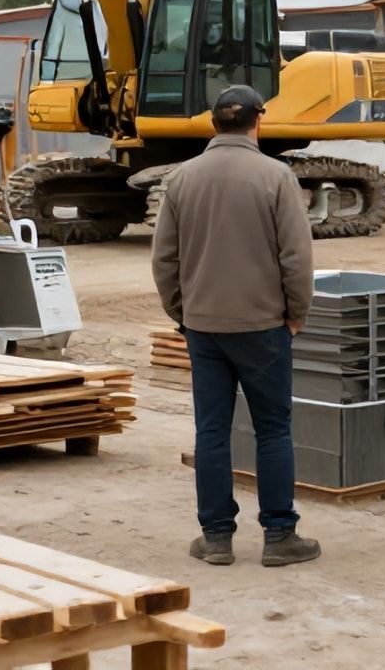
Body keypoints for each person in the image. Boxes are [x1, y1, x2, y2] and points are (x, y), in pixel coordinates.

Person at [152, 85, 320, 569]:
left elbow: (164, 259)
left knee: (211, 431)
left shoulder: (182, 179)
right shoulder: (276, 176)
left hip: (204, 326)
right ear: (258, 121)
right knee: (273, 429)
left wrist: (182, 313)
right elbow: (296, 257)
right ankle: (280, 535)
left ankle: (216, 538)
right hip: (263, 325)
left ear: (213, 124)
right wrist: (296, 313)